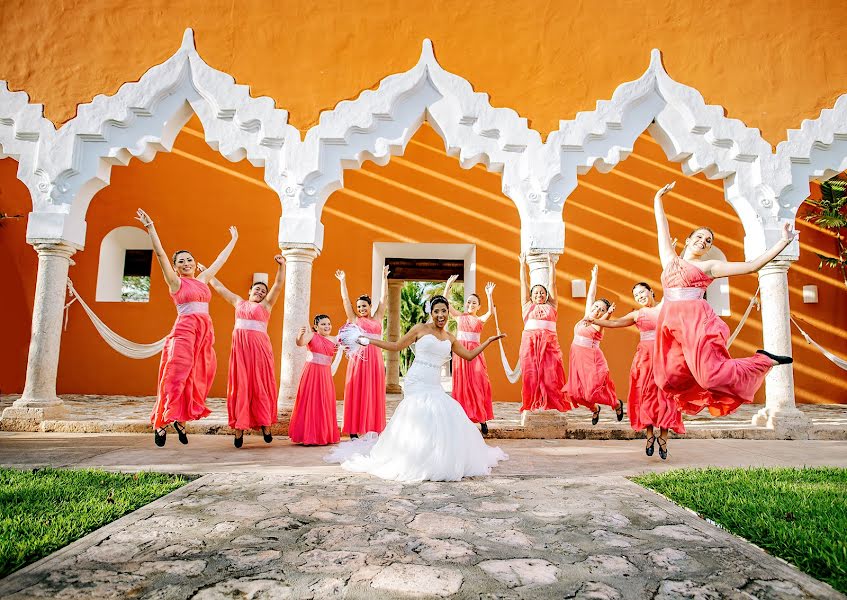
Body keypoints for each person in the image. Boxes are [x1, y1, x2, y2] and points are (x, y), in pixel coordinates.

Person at [651, 181, 794, 422]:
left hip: (696, 323)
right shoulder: (670, 260)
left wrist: (783, 242)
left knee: (710, 378)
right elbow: (661, 228)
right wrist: (658, 198)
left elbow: (752, 266)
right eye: (699, 237)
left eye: (708, 241)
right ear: (688, 240)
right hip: (670, 324)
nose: (703, 242)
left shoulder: (709, 267)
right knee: (667, 378)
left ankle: (762, 360)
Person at [325, 295, 508, 481]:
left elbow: (468, 356)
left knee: (446, 414)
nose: (440, 315)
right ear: (431, 312)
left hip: (434, 384)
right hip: (417, 380)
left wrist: (488, 341)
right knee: (420, 414)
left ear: (447, 313)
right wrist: (370, 341)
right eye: (436, 311)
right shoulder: (420, 329)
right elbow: (396, 346)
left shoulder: (450, 338)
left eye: (444, 311)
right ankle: (412, 456)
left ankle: (432, 457)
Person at [134, 208, 238, 447]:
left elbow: (219, 262)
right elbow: (160, 256)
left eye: (189, 259)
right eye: (181, 261)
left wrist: (233, 240)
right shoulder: (175, 283)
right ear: (176, 267)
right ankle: (161, 422)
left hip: (204, 334)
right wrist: (151, 229)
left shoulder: (202, 280)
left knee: (199, 377)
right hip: (184, 332)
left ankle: (180, 420)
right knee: (175, 377)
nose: (187, 263)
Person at [587, 282, 684, 459]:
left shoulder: (665, 306)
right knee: (645, 396)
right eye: (636, 295)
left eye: (642, 292)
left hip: (665, 356)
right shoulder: (637, 314)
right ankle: (649, 436)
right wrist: (595, 320)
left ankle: (663, 438)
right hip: (645, 360)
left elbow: (675, 289)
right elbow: (616, 322)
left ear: (651, 292)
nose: (640, 296)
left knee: (666, 396)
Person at [204, 255, 285, 448]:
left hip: (260, 352)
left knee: (260, 385)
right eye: (257, 289)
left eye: (263, 291)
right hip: (240, 353)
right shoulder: (239, 302)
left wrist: (282, 265)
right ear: (249, 291)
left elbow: (278, 285)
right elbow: (219, 288)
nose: (260, 292)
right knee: (241, 386)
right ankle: (238, 430)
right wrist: (207, 272)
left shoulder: (266, 306)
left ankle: (265, 425)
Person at [564, 265, 624, 425]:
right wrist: (594, 278)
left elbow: (602, 320)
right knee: (574, 394)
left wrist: (609, 312)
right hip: (577, 360)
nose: (596, 309)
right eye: (596, 306)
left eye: (601, 309)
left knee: (591, 393)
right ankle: (594, 409)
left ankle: (616, 404)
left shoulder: (597, 324)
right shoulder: (586, 317)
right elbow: (591, 295)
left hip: (591, 362)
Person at [335, 266, 389, 438]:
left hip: (375, 360)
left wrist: (384, 277)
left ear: (370, 306)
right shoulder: (355, 319)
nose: (361, 308)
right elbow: (345, 301)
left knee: (374, 392)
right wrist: (342, 281)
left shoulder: (378, 317)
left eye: (364, 306)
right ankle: (353, 429)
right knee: (355, 390)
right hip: (358, 360)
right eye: (359, 306)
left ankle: (373, 426)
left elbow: (384, 298)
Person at [443, 275, 496, 434]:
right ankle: (461, 418)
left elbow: (491, 312)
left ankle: (482, 418)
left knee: (479, 383)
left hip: (475, 353)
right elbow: (445, 303)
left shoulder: (479, 319)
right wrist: (448, 285)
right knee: (462, 385)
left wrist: (489, 295)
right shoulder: (459, 317)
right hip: (460, 353)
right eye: (468, 302)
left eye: (474, 302)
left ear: (478, 306)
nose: (470, 304)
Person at [518, 253, 571, 412]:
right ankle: (534, 402)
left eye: (542, 292)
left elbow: (552, 282)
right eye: (536, 293)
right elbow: (523, 283)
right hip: (530, 344)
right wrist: (522, 265)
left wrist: (552, 265)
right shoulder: (526, 306)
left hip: (549, 344)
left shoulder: (552, 305)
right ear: (531, 296)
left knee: (551, 374)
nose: (539, 295)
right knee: (531, 375)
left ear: (546, 295)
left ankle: (551, 403)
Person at [290, 314, 341, 446]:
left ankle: (323, 434)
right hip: (311, 372)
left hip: (325, 374)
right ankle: (308, 434)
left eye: (329, 324)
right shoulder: (312, 335)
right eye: (323, 324)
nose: (327, 326)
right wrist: (299, 335)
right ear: (316, 327)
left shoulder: (334, 339)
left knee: (324, 401)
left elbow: (346, 343)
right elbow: (300, 343)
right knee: (310, 401)